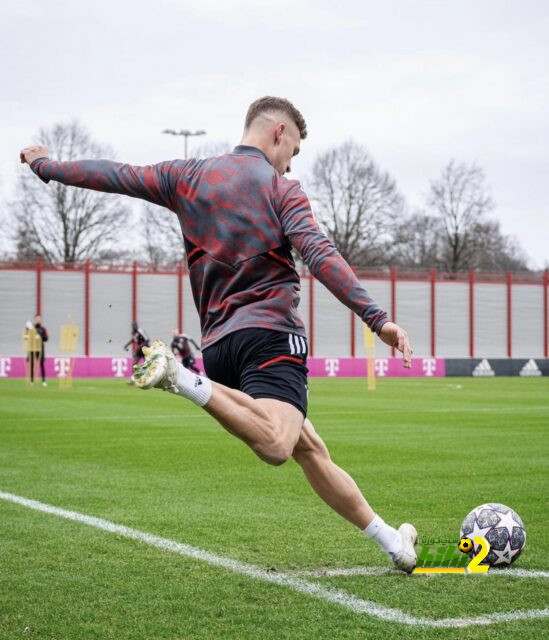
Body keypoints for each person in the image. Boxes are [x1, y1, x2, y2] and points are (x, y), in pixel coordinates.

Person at [20, 96, 417, 572]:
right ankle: (181, 377)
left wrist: (48, 166)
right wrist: (378, 319)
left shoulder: (187, 175)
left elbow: (115, 174)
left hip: (220, 346)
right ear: (279, 133)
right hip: (270, 335)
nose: (291, 163)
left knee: (308, 447)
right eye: (293, 150)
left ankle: (393, 541)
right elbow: (319, 252)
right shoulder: (281, 188)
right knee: (276, 445)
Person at [33, 314, 49, 386]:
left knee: (41, 364)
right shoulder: (32, 328)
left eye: (39, 319)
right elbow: (27, 337)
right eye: (37, 318)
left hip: (41, 348)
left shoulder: (43, 329)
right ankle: (32, 380)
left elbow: (46, 338)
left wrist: (40, 336)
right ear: (35, 319)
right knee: (32, 364)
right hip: (33, 348)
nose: (38, 320)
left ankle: (43, 381)